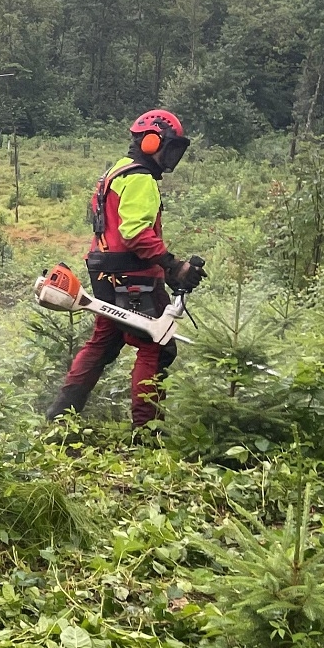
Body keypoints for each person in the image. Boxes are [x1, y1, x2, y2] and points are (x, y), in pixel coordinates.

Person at [46, 110, 206, 428]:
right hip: (134, 277)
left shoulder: (116, 172)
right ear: (150, 142)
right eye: (169, 147)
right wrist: (171, 264)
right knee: (156, 347)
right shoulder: (140, 178)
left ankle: (59, 418)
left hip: (104, 272)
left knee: (103, 343)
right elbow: (134, 233)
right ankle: (145, 433)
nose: (170, 157)